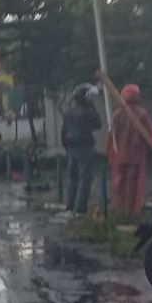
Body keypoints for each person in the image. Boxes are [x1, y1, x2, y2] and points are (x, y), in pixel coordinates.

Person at [106, 84, 152, 216]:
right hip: (137, 156)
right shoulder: (142, 114)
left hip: (118, 156)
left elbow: (111, 137)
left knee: (119, 184)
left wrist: (110, 154)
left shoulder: (117, 114)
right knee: (134, 185)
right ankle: (132, 212)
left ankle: (120, 211)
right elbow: (150, 136)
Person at [60, 85, 103, 216]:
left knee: (73, 179)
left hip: (71, 147)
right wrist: (92, 106)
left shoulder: (69, 112)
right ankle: (80, 208)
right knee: (85, 178)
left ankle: (69, 206)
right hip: (84, 147)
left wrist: (66, 148)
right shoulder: (87, 111)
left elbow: (63, 131)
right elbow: (98, 124)